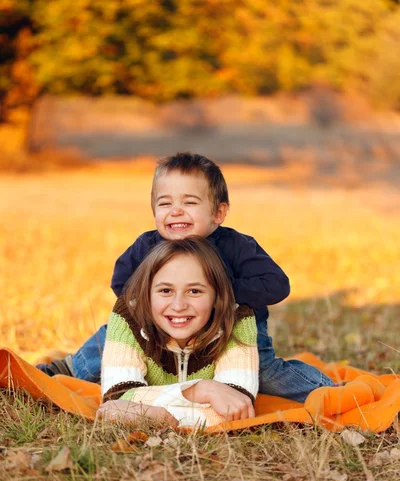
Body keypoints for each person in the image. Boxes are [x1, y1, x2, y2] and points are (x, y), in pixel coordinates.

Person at [38, 151, 333, 403]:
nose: (176, 210)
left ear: (218, 213)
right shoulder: (148, 245)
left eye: (189, 202)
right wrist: (151, 305)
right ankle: (64, 368)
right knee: (112, 335)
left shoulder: (236, 246)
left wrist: (222, 294)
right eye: (165, 204)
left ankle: (328, 390)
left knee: (265, 374)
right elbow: (121, 282)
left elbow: (276, 285)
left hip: (231, 336)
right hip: (164, 331)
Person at [98, 236, 258, 427]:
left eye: (194, 291)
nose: (179, 305)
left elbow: (235, 410)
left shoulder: (237, 320)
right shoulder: (129, 315)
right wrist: (199, 390)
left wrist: (156, 416)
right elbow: (118, 397)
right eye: (166, 291)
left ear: (217, 296)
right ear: (147, 294)